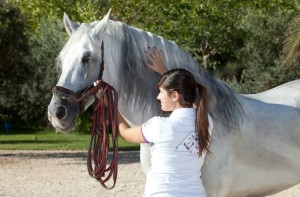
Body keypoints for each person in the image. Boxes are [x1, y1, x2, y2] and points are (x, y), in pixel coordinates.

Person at [96, 48, 213, 197]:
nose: (158, 97)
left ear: (175, 95)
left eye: (161, 92)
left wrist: (111, 104)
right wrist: (165, 73)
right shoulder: (206, 121)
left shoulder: (159, 126)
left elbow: (125, 133)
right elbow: (191, 100)